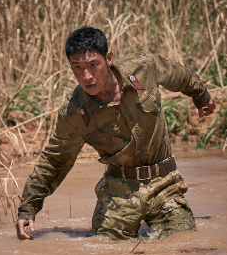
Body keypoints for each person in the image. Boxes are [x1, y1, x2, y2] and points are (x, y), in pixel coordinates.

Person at [15, 26, 215, 240]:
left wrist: (201, 96)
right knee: (108, 254)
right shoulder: (75, 111)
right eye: (78, 67)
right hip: (118, 192)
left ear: (108, 59)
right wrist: (28, 207)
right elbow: (55, 161)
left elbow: (179, 76)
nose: (87, 76)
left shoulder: (143, 67)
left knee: (184, 246)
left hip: (164, 184)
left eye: (93, 65)